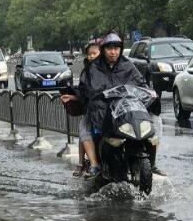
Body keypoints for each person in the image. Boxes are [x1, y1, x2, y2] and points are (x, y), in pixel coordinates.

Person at [61, 31, 164, 180]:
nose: (113, 52)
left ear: (120, 49)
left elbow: (141, 85)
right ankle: (95, 164)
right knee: (84, 123)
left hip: (128, 110)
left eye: (116, 48)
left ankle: (152, 161)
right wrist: (75, 95)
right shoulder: (92, 69)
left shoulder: (128, 66)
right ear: (103, 50)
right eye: (110, 48)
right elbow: (85, 90)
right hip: (103, 113)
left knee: (156, 120)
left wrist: (150, 93)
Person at [72, 41, 101, 177]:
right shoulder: (87, 72)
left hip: (116, 108)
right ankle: (91, 163)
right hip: (94, 110)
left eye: (94, 53)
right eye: (89, 54)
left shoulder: (121, 66)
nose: (91, 57)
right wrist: (74, 96)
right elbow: (83, 91)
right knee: (84, 126)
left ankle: (150, 164)